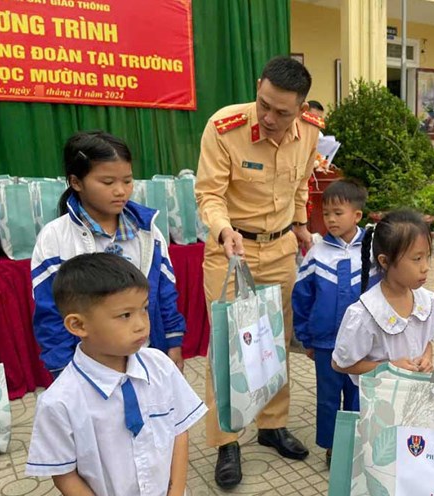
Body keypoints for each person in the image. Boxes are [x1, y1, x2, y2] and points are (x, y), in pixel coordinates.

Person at [195, 55, 322, 489]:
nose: (269, 117)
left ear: (300, 109)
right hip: (231, 249)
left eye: (281, 112)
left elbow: (301, 184)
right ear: (258, 86)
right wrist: (223, 229)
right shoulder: (224, 128)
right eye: (263, 104)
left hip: (281, 248)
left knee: (275, 341)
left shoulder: (309, 133)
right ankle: (227, 441)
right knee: (227, 347)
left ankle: (272, 425)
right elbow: (209, 194)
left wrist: (301, 225)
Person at [25, 253, 206, 496]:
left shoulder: (160, 366)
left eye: (144, 309)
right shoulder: (59, 402)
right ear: (78, 325)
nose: (141, 324)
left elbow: (179, 429)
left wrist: (176, 491)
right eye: (125, 315)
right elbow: (64, 475)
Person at [32, 131, 186, 378]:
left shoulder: (148, 233)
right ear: (76, 182)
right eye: (107, 182)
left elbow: (165, 292)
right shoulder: (55, 238)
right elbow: (50, 313)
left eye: (127, 181)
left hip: (145, 356)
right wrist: (63, 369)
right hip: (90, 366)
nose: (120, 191)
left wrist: (173, 342)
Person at [292, 179, 370, 468]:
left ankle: (356, 441)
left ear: (357, 215)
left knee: (358, 393)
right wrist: (307, 338)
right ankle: (332, 446)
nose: (331, 219)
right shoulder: (317, 253)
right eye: (326, 214)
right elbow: (302, 297)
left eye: (338, 213)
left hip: (363, 345)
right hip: (326, 343)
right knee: (328, 397)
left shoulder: (371, 251)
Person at [332, 209, 434, 383]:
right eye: (417, 259)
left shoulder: (426, 302)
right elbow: (340, 364)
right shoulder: (366, 313)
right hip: (382, 398)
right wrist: (388, 368)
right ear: (385, 261)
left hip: (418, 395)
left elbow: (426, 341)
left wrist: (427, 358)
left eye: (427, 257)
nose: (426, 267)